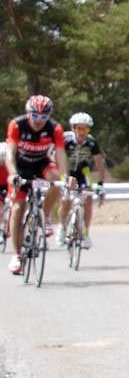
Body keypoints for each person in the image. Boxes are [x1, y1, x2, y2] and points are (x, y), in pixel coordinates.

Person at [5, 95, 68, 275]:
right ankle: (17, 255)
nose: (39, 121)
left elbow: (61, 153)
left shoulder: (54, 128)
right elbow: (10, 152)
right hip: (20, 166)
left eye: (44, 117)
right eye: (35, 116)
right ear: (28, 113)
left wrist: (66, 177)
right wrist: (13, 174)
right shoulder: (17, 125)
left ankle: (45, 215)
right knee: (18, 208)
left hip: (41, 163)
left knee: (56, 179)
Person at [57, 112, 107, 249]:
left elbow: (99, 164)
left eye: (85, 129)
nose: (82, 132)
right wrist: (63, 176)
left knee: (88, 199)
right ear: (73, 128)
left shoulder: (91, 142)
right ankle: (61, 228)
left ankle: (85, 233)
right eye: (79, 128)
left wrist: (101, 184)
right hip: (66, 170)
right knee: (66, 200)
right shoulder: (65, 139)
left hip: (83, 172)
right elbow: (54, 156)